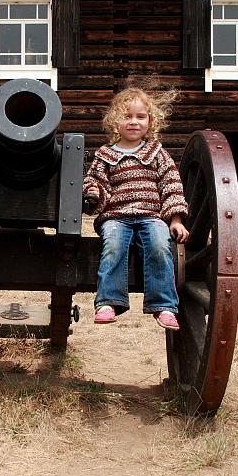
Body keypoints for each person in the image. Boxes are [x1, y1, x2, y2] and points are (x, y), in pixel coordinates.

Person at [83, 86, 189, 330]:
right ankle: (109, 302)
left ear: (150, 122)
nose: (133, 122)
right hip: (116, 217)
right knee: (113, 246)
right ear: (114, 122)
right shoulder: (105, 155)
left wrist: (175, 220)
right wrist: (94, 192)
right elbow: (95, 183)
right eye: (126, 116)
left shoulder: (157, 153)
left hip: (151, 216)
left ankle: (163, 305)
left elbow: (171, 184)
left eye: (140, 117)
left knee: (161, 246)